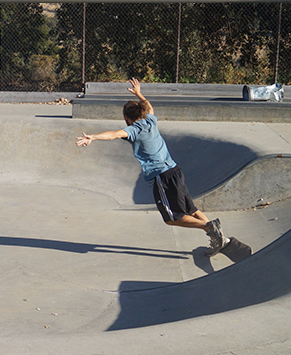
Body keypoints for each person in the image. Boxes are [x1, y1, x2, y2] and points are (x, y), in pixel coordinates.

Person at [76, 78, 228, 255]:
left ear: (127, 118)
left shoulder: (134, 129)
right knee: (192, 210)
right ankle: (220, 239)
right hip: (175, 171)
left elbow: (114, 134)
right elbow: (149, 106)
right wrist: (139, 93)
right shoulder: (150, 121)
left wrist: (92, 137)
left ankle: (210, 227)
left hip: (162, 178)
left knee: (172, 219)